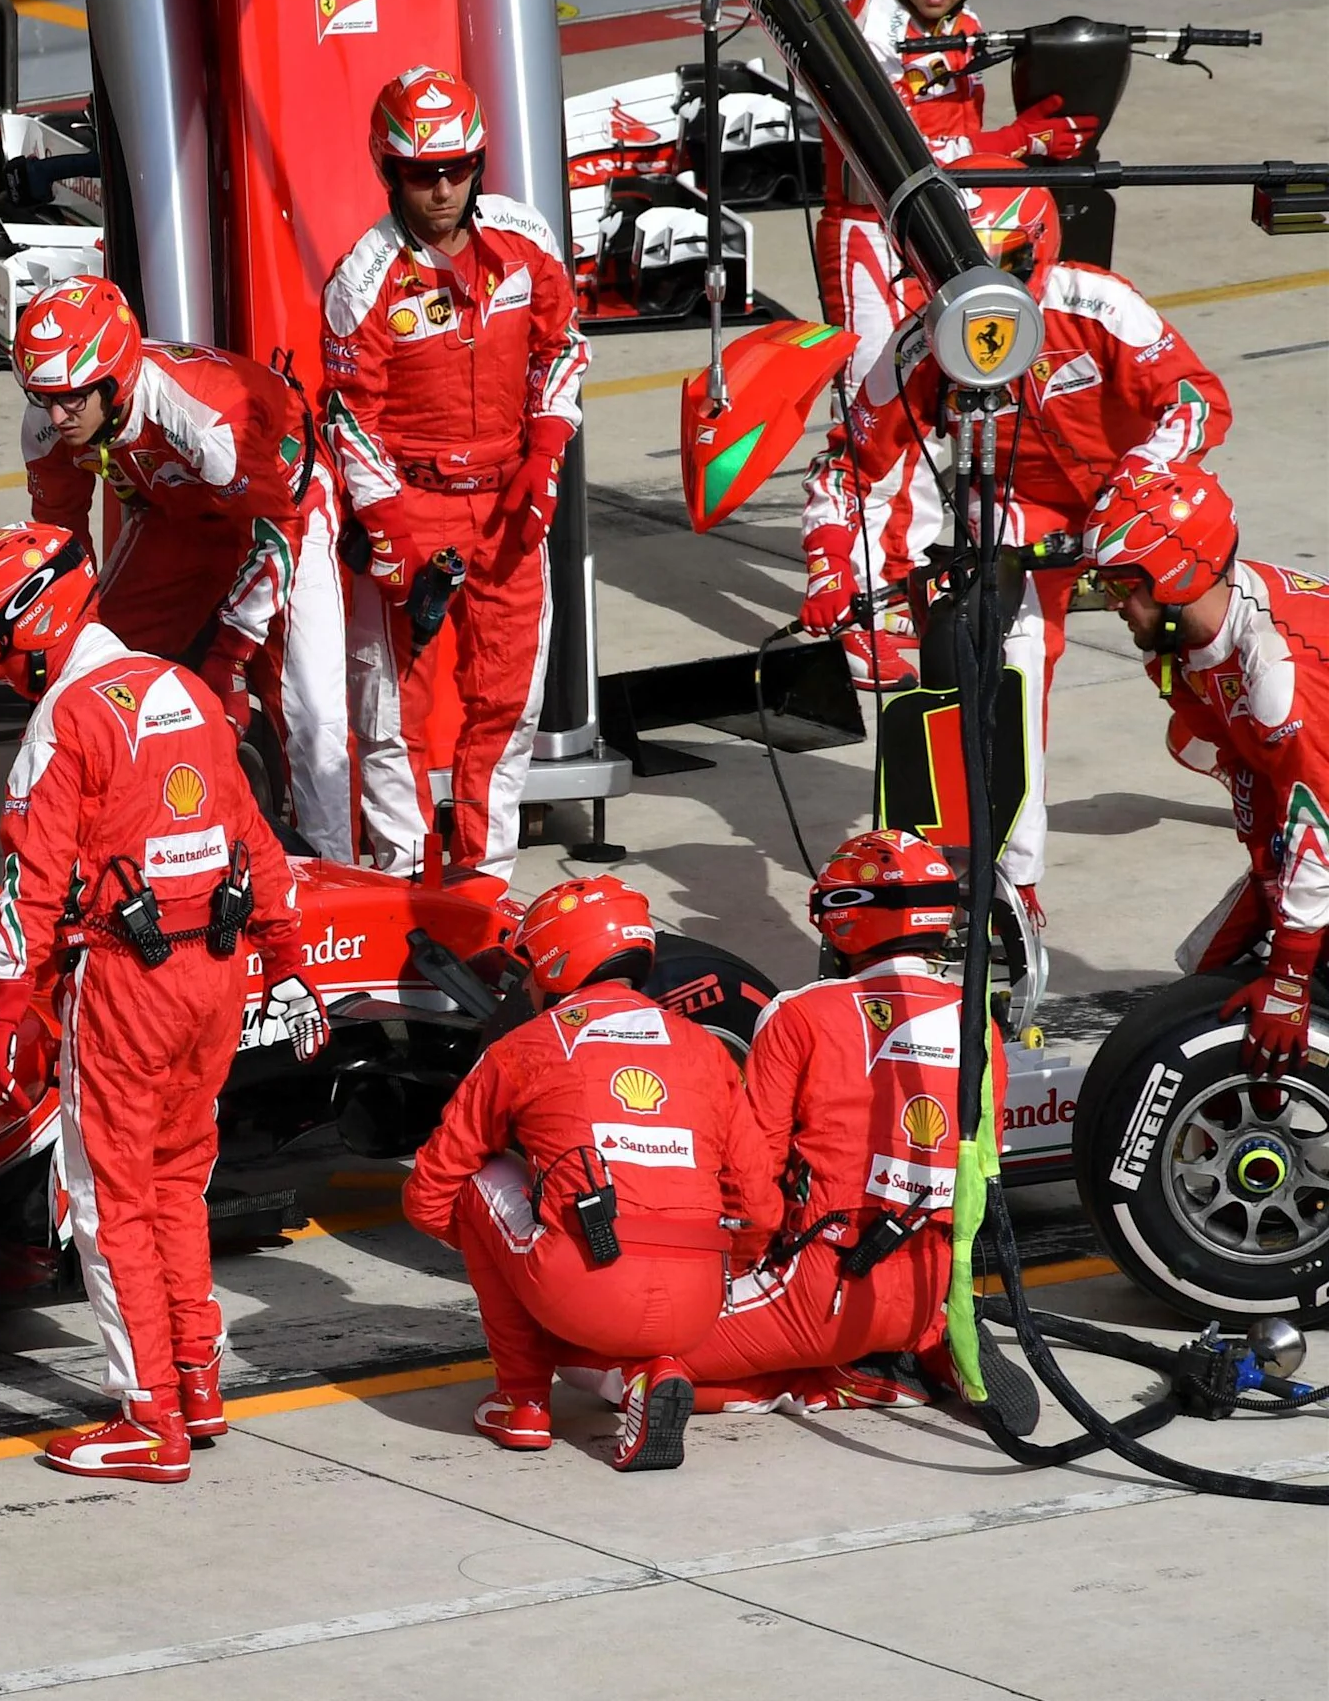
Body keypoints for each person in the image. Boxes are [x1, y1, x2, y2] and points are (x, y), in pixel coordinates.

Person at [0, 520, 304, 1481]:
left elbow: (29, 885)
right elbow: (255, 838)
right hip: (220, 976)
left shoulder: (64, 719)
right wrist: (286, 951)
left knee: (109, 1202)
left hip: (127, 985)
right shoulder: (184, 688)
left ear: (28, 621)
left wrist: (6, 1009)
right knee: (182, 1181)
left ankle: (149, 1420)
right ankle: (197, 1378)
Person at [832, 170, 1232, 923]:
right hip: (1015, 501)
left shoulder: (1101, 302)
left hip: (1133, 489)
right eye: (958, 270)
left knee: (1206, 631)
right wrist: (845, 580)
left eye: (1003, 267)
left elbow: (1196, 400)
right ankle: (1013, 873)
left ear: (1038, 252)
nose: (983, 290)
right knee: (1010, 659)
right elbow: (856, 464)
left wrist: (1140, 484)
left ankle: (1220, 740)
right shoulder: (923, 339)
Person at [803, 0, 1098, 692]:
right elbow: (901, 155)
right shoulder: (865, 32)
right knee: (874, 418)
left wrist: (1020, 142)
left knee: (940, 416)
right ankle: (857, 594)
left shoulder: (970, 21)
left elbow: (957, 155)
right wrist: (1020, 146)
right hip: (869, 232)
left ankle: (898, 583)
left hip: (939, 233)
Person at [402, 876, 771, 1470]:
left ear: (554, 961)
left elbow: (428, 1190)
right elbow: (757, 1201)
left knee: (477, 1181)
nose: (525, 984)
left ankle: (521, 1400)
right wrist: (730, 1265)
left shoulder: (524, 1047)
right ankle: (656, 1370)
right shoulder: (705, 1049)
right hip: (698, 1300)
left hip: (583, 1286)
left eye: (529, 968)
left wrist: (498, 1257)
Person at [322, 67, 589, 881]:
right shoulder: (361, 279)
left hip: (510, 505)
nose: (441, 190)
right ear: (387, 170)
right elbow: (348, 417)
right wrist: (389, 527)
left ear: (478, 163)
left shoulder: (525, 239)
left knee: (506, 702)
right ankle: (403, 873)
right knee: (388, 709)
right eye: (419, 173)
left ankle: (485, 878)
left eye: (456, 169)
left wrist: (546, 453)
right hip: (408, 509)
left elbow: (563, 347)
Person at [15, 275, 349, 857]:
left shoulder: (200, 415)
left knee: (312, 710)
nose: (59, 413)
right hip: (175, 516)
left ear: (115, 380)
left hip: (284, 508)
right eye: (43, 395)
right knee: (90, 668)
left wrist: (228, 656)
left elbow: (276, 532)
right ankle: (98, 841)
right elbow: (60, 552)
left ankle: (334, 865)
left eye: (73, 395)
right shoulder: (47, 426)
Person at [681, 830, 1002, 1413]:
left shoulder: (801, 1014)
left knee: (611, 1358)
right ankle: (928, 1347)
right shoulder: (980, 1026)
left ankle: (822, 1382)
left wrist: (733, 1267)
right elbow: (981, 1173)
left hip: (823, 1288)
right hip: (934, 1289)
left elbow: (754, 1186)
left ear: (843, 918)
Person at [1084, 466, 1328, 1078]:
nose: (1110, 603)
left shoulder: (1275, 667)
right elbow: (1250, 777)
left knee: (1299, 970)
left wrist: (1291, 977)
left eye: (1121, 585)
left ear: (1174, 572)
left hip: (1321, 800)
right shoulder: (1173, 645)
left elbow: (1315, 819)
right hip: (1310, 792)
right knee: (1204, 976)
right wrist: (1272, 888)